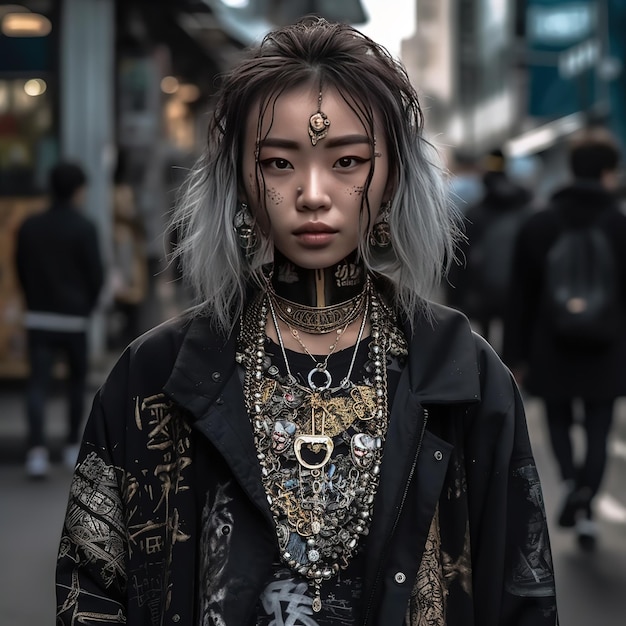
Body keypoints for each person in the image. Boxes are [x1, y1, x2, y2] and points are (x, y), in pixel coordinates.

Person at [55, 19, 557, 625]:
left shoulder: (463, 373)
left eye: (347, 161)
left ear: (392, 174)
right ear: (240, 179)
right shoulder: (155, 375)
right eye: (278, 163)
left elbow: (522, 594)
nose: (313, 193)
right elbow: (91, 590)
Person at [504, 128, 626, 551]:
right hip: (608, 345)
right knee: (599, 424)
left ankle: (571, 483)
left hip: (550, 342)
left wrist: (514, 356)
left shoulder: (540, 222)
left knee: (557, 419)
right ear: (608, 172)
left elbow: (519, 297)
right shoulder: (619, 223)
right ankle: (587, 497)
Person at [15, 161, 104, 478]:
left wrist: (33, 302)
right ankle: (70, 448)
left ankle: (36, 452)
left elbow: (21, 269)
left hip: (39, 316)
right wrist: (88, 307)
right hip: (73, 319)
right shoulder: (85, 227)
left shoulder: (30, 225)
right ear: (78, 190)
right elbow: (96, 275)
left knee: (37, 385)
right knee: (75, 384)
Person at [446, 148, 533, 351]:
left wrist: (454, 297)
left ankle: (487, 369)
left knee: (484, 339)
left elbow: (460, 256)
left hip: (481, 289)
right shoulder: (524, 209)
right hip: (515, 287)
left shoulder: (475, 212)